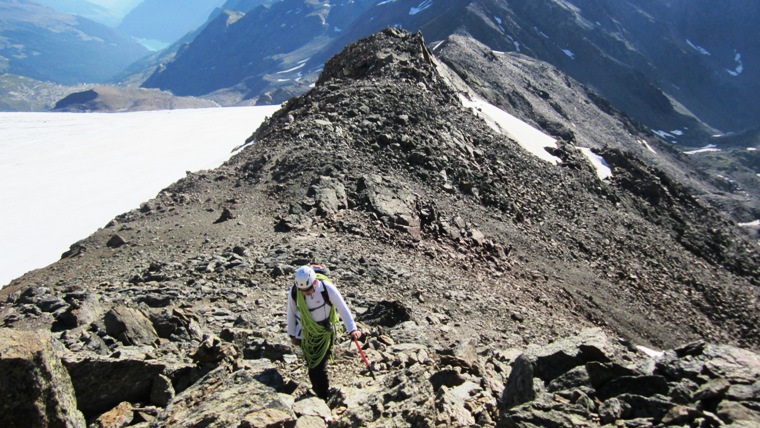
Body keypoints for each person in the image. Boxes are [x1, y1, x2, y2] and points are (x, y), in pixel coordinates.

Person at [286, 264, 361, 399]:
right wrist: (292, 334)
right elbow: (290, 313)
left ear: (315, 282)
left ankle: (323, 395)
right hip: (305, 332)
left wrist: (352, 329)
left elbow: (342, 307)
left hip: (324, 332)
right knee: (311, 363)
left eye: (308, 289)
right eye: (302, 290)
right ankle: (318, 391)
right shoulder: (294, 292)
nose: (306, 293)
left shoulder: (327, 288)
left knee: (320, 365)